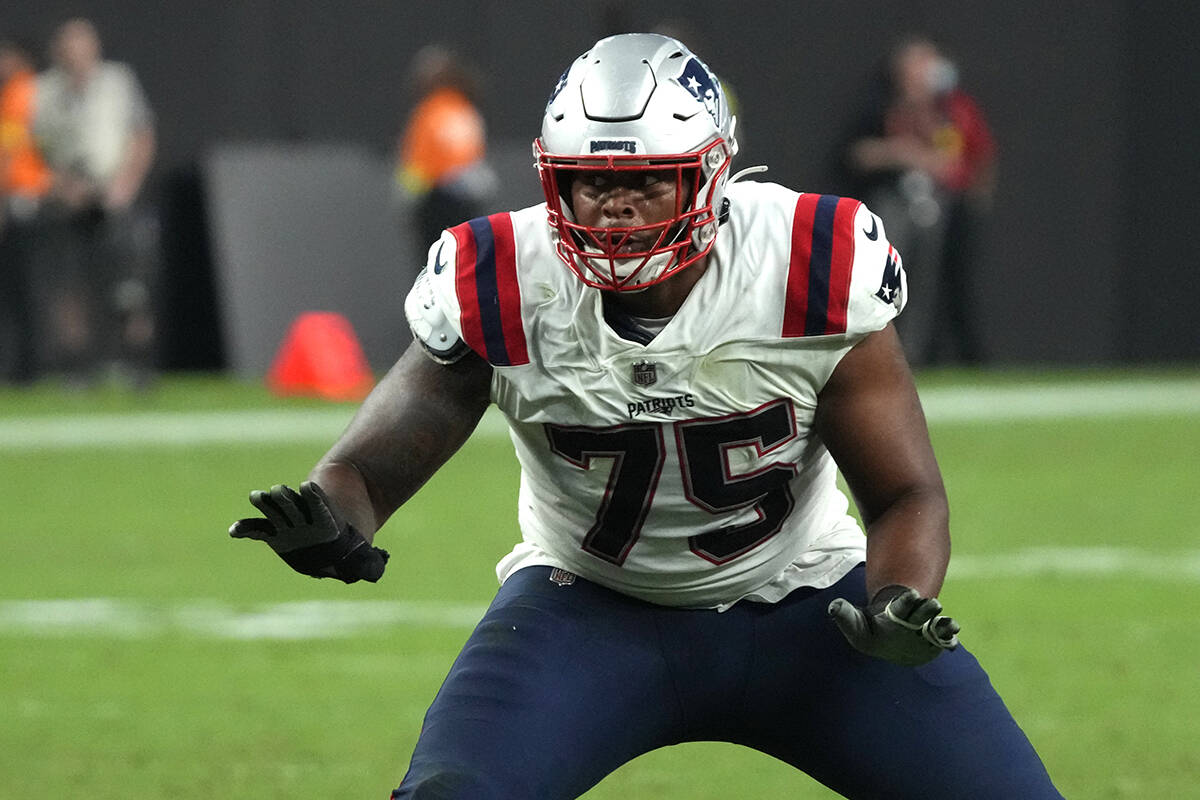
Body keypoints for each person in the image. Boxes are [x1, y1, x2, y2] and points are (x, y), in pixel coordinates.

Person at [231, 34, 1060, 799]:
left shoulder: (809, 259)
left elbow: (907, 494)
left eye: (644, 179)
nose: (614, 208)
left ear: (711, 177)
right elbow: (368, 472)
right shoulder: (505, 278)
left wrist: (896, 600)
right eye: (590, 180)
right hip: (587, 610)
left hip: (811, 607)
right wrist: (332, 520)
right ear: (554, 178)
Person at [844, 37, 996, 366]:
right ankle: (882, 355)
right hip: (892, 207)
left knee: (938, 288)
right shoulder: (880, 107)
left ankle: (931, 356)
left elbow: (972, 158)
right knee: (886, 280)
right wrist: (899, 154)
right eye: (917, 64)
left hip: (944, 211)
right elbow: (855, 154)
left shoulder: (953, 109)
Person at [31, 17, 157, 386]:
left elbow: (142, 134)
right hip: (67, 202)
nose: (78, 54)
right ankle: (79, 368)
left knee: (131, 287)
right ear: (58, 51)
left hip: (116, 199)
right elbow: (29, 150)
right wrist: (60, 186)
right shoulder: (41, 91)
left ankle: (136, 365)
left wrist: (125, 184)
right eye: (70, 46)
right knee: (71, 288)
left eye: (84, 45)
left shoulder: (117, 82)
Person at [393, 44, 496, 269]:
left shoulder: (429, 112)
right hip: (466, 205)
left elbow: (416, 164)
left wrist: (409, 198)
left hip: (433, 203)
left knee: (431, 268)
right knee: (464, 265)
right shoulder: (467, 110)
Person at [0, 36, 51, 384]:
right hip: (24, 200)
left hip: (28, 200)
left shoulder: (24, 90)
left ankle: (30, 369)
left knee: (28, 289)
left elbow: (9, 152)